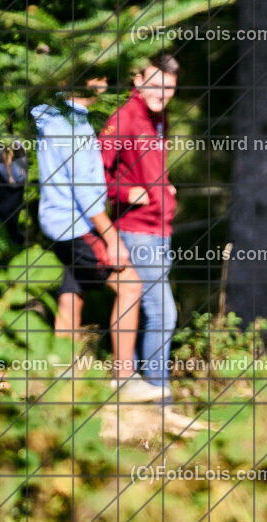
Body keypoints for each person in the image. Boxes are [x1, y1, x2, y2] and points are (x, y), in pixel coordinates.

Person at [33, 74, 161, 402]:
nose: (105, 82)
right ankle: (124, 377)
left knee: (71, 293)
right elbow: (87, 193)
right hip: (76, 227)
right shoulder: (73, 128)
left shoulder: (49, 114)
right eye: (100, 75)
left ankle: (61, 378)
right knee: (130, 285)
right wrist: (112, 239)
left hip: (53, 224)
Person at [99, 54, 180, 401]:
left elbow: (146, 166)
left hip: (160, 228)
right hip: (136, 229)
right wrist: (125, 191)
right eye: (156, 84)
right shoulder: (125, 117)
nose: (162, 93)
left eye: (170, 88)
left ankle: (136, 389)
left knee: (151, 312)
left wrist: (165, 185)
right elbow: (95, 176)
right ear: (138, 80)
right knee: (164, 312)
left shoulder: (158, 116)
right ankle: (157, 393)